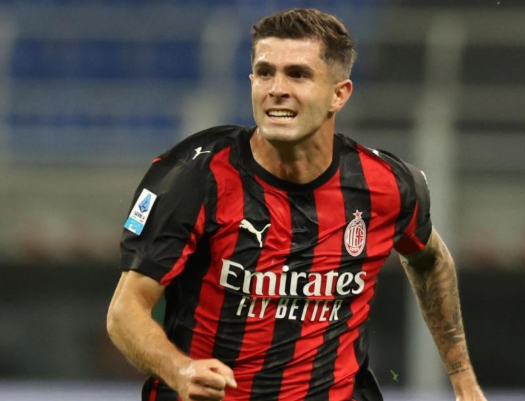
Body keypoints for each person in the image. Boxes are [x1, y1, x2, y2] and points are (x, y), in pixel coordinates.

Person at [107, 8, 487, 401]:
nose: (277, 89)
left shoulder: (387, 185)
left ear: (339, 94)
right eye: (265, 72)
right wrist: (180, 369)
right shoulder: (193, 176)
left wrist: (463, 381)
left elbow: (430, 260)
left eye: (298, 74)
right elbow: (125, 310)